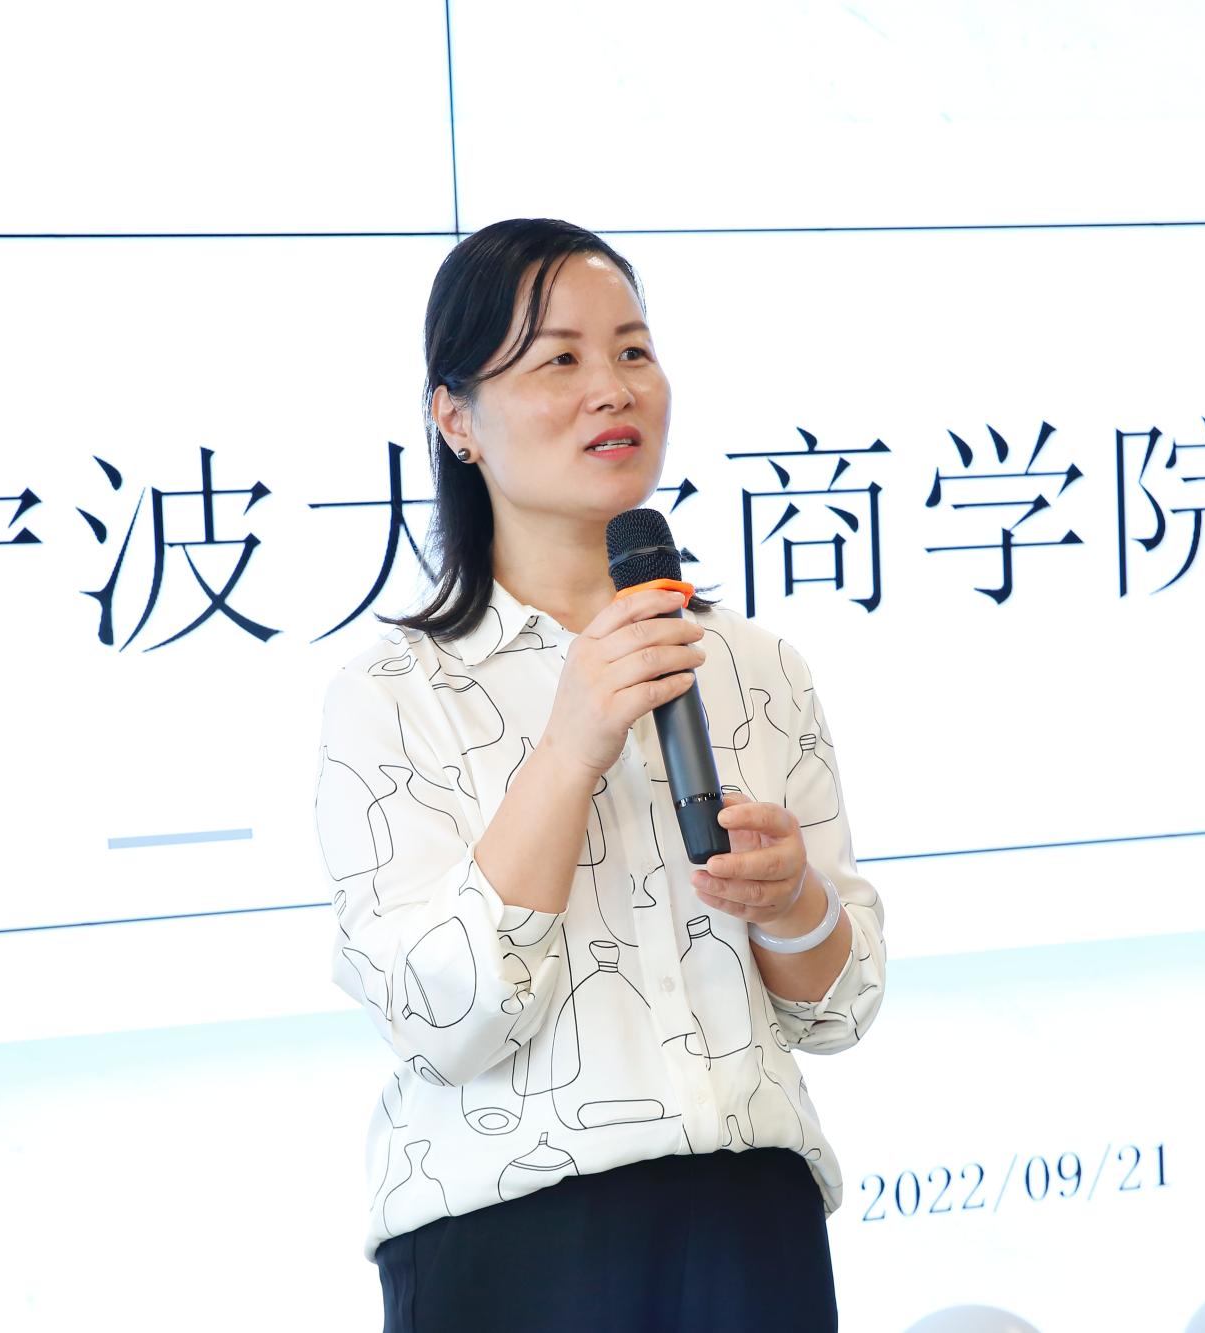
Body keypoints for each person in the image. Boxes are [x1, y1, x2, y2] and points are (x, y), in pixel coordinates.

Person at [313, 218, 887, 1332]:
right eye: (558, 359)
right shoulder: (392, 694)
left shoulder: (757, 666)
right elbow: (440, 1019)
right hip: (514, 1247)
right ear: (455, 418)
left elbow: (840, 1005)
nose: (611, 388)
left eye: (632, 350)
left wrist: (791, 901)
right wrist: (572, 743)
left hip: (752, 1225)